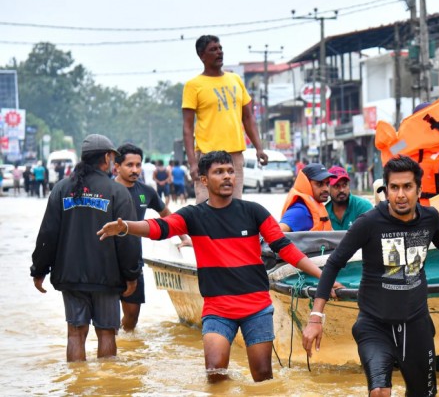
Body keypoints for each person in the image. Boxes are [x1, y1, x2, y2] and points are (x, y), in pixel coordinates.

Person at [97, 151, 338, 382]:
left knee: (263, 376)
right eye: (219, 172)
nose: (227, 177)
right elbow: (160, 227)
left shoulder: (254, 212)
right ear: (204, 180)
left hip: (256, 306)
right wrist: (126, 226)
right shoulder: (193, 216)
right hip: (217, 308)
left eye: (230, 171)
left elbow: (286, 249)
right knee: (215, 373)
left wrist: (323, 276)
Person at [302, 155, 439, 396]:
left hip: (416, 324)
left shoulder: (430, 218)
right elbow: (333, 264)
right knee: (380, 391)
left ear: (419, 190)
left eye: (407, 187)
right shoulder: (368, 223)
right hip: (374, 325)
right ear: (386, 190)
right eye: (394, 187)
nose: (400, 194)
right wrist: (316, 317)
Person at [31, 134, 140, 362]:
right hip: (107, 277)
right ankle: (105, 385)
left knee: (75, 333)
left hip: (70, 276)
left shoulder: (61, 189)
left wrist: (39, 270)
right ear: (108, 157)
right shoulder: (117, 192)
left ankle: (77, 386)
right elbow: (127, 238)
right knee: (107, 332)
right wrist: (132, 275)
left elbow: (48, 234)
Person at [114, 144, 191, 331]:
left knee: (132, 317)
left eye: (138, 165)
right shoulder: (107, 190)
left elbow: (167, 215)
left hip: (133, 260)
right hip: (107, 260)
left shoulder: (146, 192)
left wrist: (184, 238)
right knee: (106, 318)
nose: (135, 170)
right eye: (129, 165)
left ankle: (126, 351)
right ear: (116, 166)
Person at [182, 34, 268, 203]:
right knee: (205, 207)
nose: (219, 52)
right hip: (207, 155)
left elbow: (248, 117)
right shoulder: (193, 85)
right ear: (202, 56)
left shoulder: (235, 79)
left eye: (220, 48)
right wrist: (192, 163)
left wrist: (259, 148)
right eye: (213, 50)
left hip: (234, 155)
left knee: (234, 205)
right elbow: (187, 127)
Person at [279, 163, 334, 232]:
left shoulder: (317, 205)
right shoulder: (300, 210)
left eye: (327, 184)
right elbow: (276, 233)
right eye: (319, 184)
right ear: (306, 184)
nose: (326, 189)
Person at [325, 165, 373, 230]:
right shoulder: (324, 212)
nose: (342, 190)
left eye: (344, 185)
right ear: (328, 188)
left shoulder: (363, 207)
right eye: (336, 186)